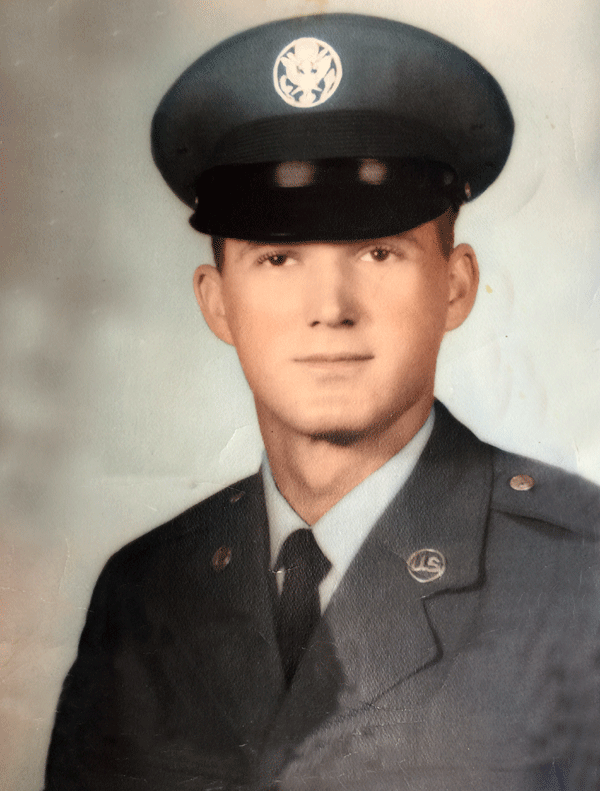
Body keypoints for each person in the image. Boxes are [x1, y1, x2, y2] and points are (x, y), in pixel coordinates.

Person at [44, 13, 600, 791]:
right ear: (217, 302)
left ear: (455, 286)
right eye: (278, 258)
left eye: (378, 251)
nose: (330, 308)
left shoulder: (579, 574)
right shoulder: (143, 592)